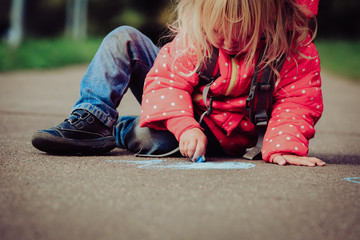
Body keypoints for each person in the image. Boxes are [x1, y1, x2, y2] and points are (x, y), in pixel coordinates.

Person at [32, 0, 326, 167]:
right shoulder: (195, 40)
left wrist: (283, 146)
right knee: (123, 37)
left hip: (215, 134)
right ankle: (93, 118)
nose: (228, 41)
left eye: (243, 33)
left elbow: (297, 102)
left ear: (273, 20)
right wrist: (184, 124)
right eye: (216, 31)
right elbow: (167, 83)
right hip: (181, 111)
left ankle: (122, 129)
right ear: (199, 19)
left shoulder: (290, 52)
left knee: (152, 140)